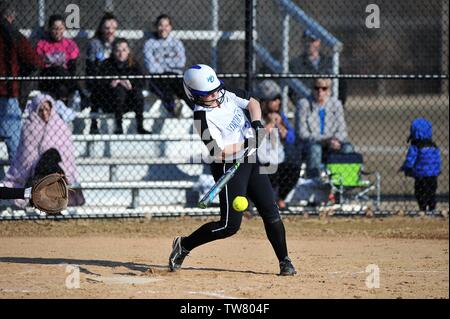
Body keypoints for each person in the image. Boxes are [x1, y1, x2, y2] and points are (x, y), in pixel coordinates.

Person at [168, 64, 296, 276]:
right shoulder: (201, 118)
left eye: (215, 90)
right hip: (228, 165)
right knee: (229, 226)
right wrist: (247, 143)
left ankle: (284, 260)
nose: (215, 95)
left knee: (270, 211)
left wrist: (255, 123)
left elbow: (253, 102)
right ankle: (184, 245)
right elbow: (218, 151)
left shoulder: (225, 93)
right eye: (208, 94)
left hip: (250, 160)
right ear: (195, 96)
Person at [2, 94, 84, 208]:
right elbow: (24, 159)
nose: (44, 113)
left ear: (52, 109)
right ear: (35, 111)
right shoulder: (29, 128)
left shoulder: (61, 126)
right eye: (40, 110)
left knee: (52, 156)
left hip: (58, 173)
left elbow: (67, 157)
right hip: (36, 174)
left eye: (47, 109)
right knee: (47, 160)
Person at [0, 1, 43, 161]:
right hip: (7, 93)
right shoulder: (13, 35)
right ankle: (15, 181)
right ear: (11, 17)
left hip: (7, 92)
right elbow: (35, 62)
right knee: (14, 144)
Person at [91, 38, 151, 134]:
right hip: (110, 102)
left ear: (128, 51)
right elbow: (98, 84)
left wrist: (131, 85)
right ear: (113, 51)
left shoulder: (134, 64)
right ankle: (118, 126)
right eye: (117, 50)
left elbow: (142, 82)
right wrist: (110, 84)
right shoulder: (106, 64)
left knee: (138, 94)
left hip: (129, 102)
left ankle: (140, 126)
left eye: (124, 50)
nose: (121, 53)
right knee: (119, 91)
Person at [256, 80, 301, 210]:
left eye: (278, 99)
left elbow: (291, 139)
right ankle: (266, 201)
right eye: (273, 100)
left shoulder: (281, 117)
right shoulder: (255, 117)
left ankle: (280, 199)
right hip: (260, 163)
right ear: (263, 102)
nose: (278, 102)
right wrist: (268, 125)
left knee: (293, 168)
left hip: (278, 161)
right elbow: (253, 140)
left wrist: (281, 126)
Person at [298, 78, 354, 179]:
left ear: (329, 90)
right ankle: (313, 182)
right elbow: (303, 133)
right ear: (312, 89)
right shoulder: (304, 104)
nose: (320, 92)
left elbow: (342, 131)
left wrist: (335, 140)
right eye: (317, 88)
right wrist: (324, 140)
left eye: (324, 88)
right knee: (315, 149)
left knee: (348, 148)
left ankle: (342, 183)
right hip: (312, 144)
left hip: (333, 142)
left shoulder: (336, 104)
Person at [143, 14, 187, 117]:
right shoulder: (149, 43)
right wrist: (171, 61)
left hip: (175, 76)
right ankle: (174, 109)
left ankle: (202, 126)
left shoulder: (177, 43)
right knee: (165, 90)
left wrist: (160, 61)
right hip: (157, 77)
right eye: (160, 25)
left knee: (188, 94)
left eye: (166, 25)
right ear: (156, 27)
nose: (163, 29)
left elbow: (181, 62)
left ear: (170, 27)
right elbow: (151, 67)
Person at [290, 29, 347, 106]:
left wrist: (337, 104)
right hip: (306, 106)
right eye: (306, 40)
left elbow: (342, 87)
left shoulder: (330, 62)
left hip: (328, 106)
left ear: (319, 42)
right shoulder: (295, 64)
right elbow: (291, 91)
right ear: (302, 42)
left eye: (312, 40)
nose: (309, 44)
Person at [86, 12, 118, 133]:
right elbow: (91, 67)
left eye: (113, 28)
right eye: (107, 28)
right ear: (101, 28)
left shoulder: (118, 44)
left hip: (114, 78)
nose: (110, 31)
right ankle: (94, 124)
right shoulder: (95, 43)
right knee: (96, 88)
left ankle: (117, 124)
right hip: (98, 78)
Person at [36, 14, 80, 103]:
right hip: (48, 78)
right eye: (55, 28)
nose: (58, 32)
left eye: (61, 28)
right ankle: (79, 90)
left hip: (64, 81)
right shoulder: (42, 44)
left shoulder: (70, 44)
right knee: (57, 69)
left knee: (62, 86)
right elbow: (40, 66)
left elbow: (72, 68)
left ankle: (62, 109)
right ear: (49, 29)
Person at [400, 118, 441, 212]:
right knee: (431, 192)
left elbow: (410, 159)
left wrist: (406, 168)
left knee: (419, 192)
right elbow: (438, 160)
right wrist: (437, 170)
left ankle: (422, 209)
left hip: (420, 175)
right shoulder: (433, 145)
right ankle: (432, 208)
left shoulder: (415, 146)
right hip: (433, 175)